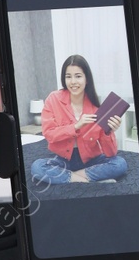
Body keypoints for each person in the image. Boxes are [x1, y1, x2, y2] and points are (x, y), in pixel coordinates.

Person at [30, 54, 128, 185]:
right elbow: (49, 134)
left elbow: (110, 153)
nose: (73, 82)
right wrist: (76, 126)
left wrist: (108, 131)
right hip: (62, 160)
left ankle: (73, 177)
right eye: (68, 76)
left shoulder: (96, 108)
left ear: (86, 79)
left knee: (120, 164)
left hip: (90, 160)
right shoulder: (53, 99)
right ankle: (87, 180)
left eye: (78, 76)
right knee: (37, 167)